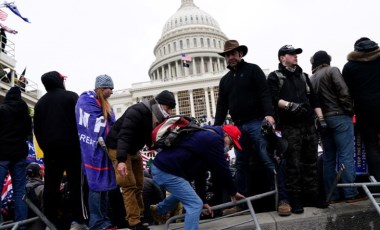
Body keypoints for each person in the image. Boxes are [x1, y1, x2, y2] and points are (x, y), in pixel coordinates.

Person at [214, 40, 290, 216]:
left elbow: (264, 93)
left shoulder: (253, 70)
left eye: (233, 54)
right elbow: (221, 106)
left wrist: (269, 115)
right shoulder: (225, 81)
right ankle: (241, 204)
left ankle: (283, 199)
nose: (230, 57)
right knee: (241, 165)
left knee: (267, 158)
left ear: (240, 54)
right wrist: (217, 128)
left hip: (256, 121)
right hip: (239, 126)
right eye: (227, 55)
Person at [267, 45, 328, 214]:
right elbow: (273, 98)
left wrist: (321, 118)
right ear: (282, 58)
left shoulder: (304, 76)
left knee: (311, 162)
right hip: (289, 126)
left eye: (296, 54)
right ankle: (295, 198)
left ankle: (312, 195)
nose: (295, 56)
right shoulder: (274, 77)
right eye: (291, 54)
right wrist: (289, 106)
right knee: (292, 163)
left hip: (308, 125)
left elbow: (314, 99)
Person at [150, 125, 245, 230]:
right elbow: (222, 168)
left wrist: (203, 201)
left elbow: (200, 174)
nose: (230, 148)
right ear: (225, 135)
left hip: (163, 168)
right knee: (194, 204)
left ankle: (159, 210)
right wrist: (233, 191)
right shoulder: (214, 139)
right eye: (231, 144)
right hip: (166, 171)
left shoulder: (205, 135)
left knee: (186, 193)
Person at [106, 90, 176, 230]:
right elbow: (124, 136)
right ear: (160, 105)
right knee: (128, 185)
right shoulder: (136, 112)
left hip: (133, 149)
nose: (169, 112)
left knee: (139, 184)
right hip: (118, 148)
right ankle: (134, 222)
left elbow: (150, 139)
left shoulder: (155, 115)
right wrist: (120, 160)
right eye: (168, 109)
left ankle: (140, 216)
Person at [310, 50, 367, 203]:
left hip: (322, 120)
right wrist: (349, 110)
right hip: (340, 116)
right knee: (345, 155)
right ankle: (351, 193)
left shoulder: (312, 78)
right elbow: (344, 92)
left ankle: (332, 196)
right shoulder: (332, 70)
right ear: (327, 60)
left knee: (328, 158)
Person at [34, 71, 86, 230]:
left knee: (51, 187)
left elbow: (37, 130)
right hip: (72, 149)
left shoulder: (40, 103)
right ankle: (78, 221)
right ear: (59, 80)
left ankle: (50, 223)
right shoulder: (71, 97)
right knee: (76, 185)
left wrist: (46, 147)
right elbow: (81, 123)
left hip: (51, 152)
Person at [75, 74, 117, 230]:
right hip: (92, 150)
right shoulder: (86, 100)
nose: (112, 92)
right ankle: (96, 222)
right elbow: (93, 123)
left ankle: (104, 220)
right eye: (109, 89)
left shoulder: (104, 103)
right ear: (101, 88)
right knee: (96, 186)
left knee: (105, 187)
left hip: (104, 150)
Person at [342, 37, 380, 185]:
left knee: (371, 147)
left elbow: (346, 92)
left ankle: (377, 185)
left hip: (365, 111)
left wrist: (350, 110)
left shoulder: (350, 66)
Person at [0, 86, 32, 225]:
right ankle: (21, 225)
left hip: (2, 154)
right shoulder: (25, 114)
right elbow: (27, 134)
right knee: (20, 192)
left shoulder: (2, 110)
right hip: (19, 155)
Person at [25, 162, 45, 230]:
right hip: (39, 224)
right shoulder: (42, 188)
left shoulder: (22, 188)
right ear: (39, 172)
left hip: (24, 223)